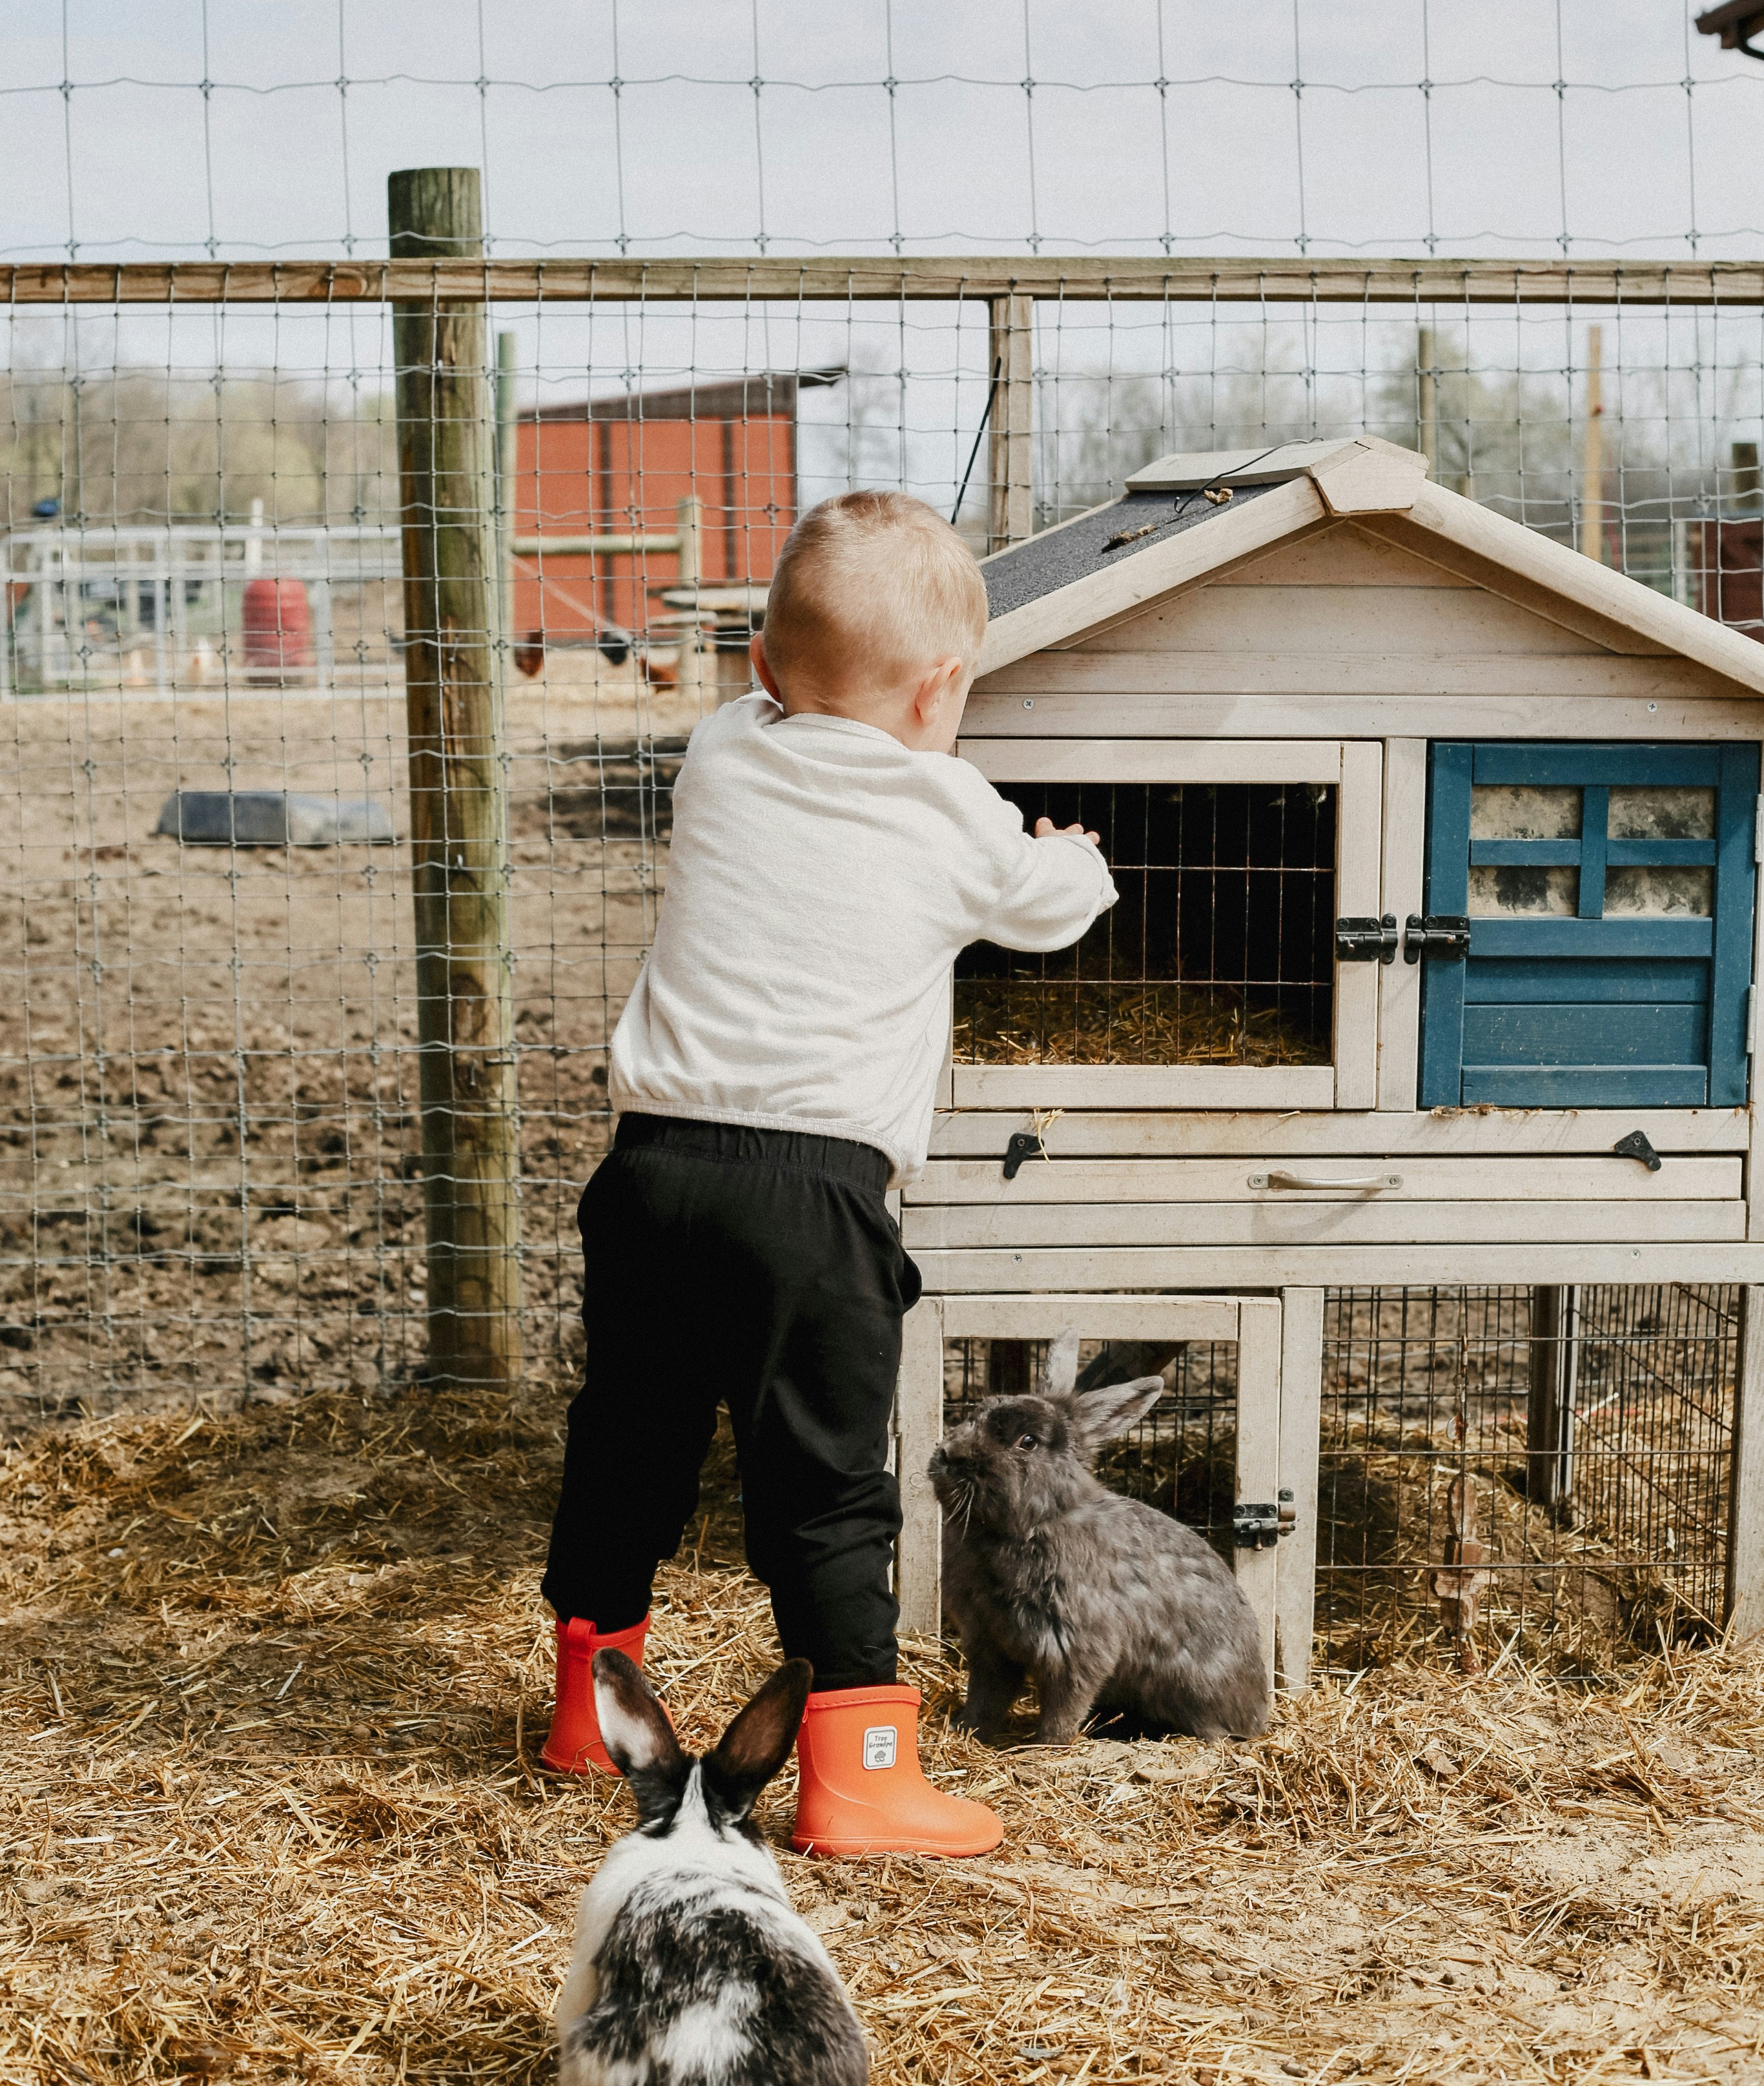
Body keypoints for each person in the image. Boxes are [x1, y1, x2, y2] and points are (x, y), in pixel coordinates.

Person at [539, 490, 1115, 1857]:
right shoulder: (953, 809)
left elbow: (798, 714)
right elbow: (1053, 912)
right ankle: (856, 1774)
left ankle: (586, 1710)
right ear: (941, 689)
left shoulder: (724, 752)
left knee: (628, 1437)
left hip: (654, 1170)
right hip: (811, 1200)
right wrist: (1066, 856)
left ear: (757, 674)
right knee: (824, 1484)